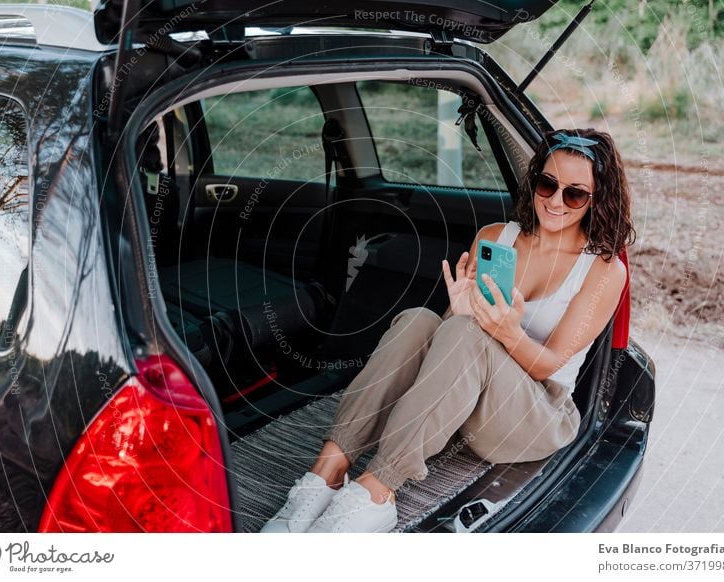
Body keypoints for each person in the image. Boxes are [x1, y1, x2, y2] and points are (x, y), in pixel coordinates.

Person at [260, 128, 635, 533]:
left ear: (598, 199)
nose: (555, 201)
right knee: (421, 320)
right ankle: (326, 474)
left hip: (535, 415)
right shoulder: (495, 238)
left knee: (467, 333)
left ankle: (377, 491)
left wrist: (506, 331)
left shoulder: (602, 269)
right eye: (547, 184)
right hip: (472, 401)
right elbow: (447, 352)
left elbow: (548, 365)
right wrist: (458, 314)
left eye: (574, 194)